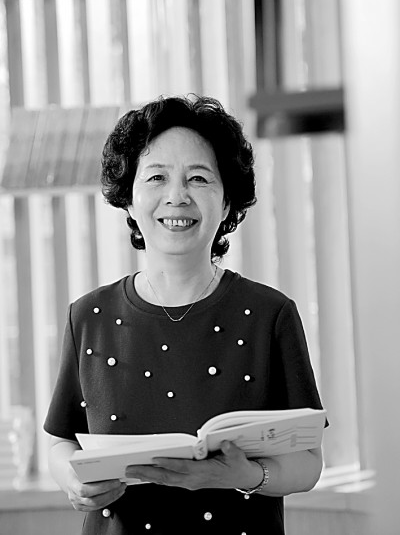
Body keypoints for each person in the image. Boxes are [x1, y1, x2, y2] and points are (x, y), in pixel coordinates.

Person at [44, 95, 326, 535]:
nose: (177, 196)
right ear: (129, 199)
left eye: (198, 178)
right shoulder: (89, 316)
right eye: (157, 177)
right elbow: (61, 439)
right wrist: (72, 482)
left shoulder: (270, 315)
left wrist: (246, 476)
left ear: (227, 203)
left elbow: (308, 461)